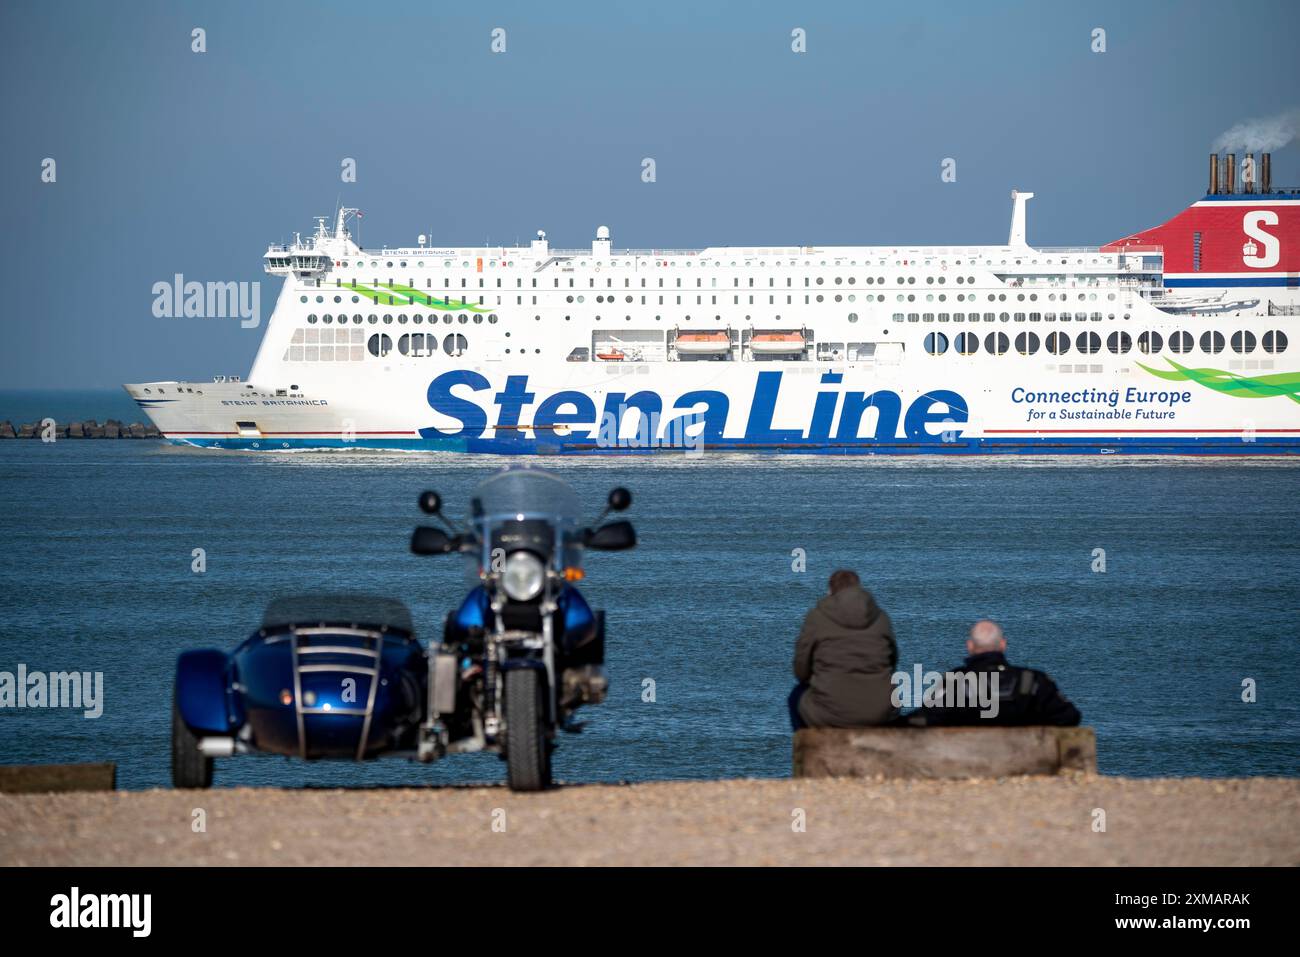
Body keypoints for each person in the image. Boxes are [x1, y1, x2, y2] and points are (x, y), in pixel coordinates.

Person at [910, 619, 1081, 726]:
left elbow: (925, 720)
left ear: (970, 646)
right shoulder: (1033, 681)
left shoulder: (954, 682)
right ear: (1002, 645)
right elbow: (1070, 717)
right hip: (1023, 763)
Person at [789, 570, 898, 730]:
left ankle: (810, 748)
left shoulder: (816, 617)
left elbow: (801, 672)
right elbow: (893, 663)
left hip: (831, 712)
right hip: (879, 711)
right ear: (859, 588)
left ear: (830, 592)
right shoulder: (882, 618)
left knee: (795, 696)